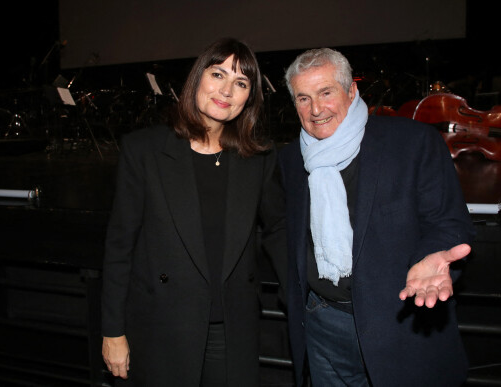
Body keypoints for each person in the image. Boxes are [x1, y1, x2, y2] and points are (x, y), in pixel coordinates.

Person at [277, 47, 475, 386]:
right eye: (303, 98)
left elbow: (447, 223)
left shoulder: (412, 142)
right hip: (323, 325)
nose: (316, 109)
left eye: (326, 92)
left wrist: (433, 257)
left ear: (351, 91)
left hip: (400, 324)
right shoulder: (292, 159)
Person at [101, 38, 286, 386]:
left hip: (231, 328)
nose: (227, 90)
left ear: (250, 97)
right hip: (162, 325)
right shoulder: (144, 151)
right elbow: (119, 246)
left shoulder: (258, 158)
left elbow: (278, 228)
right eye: (218, 74)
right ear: (197, 78)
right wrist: (113, 332)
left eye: (241, 83)